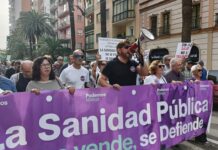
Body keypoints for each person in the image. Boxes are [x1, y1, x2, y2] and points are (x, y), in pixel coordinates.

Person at [189, 64, 208, 144]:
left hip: (202, 105)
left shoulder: (202, 81)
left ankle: (202, 138)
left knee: (202, 121)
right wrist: (193, 83)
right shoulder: (191, 80)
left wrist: (209, 83)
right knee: (196, 122)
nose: (201, 71)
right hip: (194, 106)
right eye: (199, 70)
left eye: (201, 70)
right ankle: (199, 138)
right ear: (194, 72)